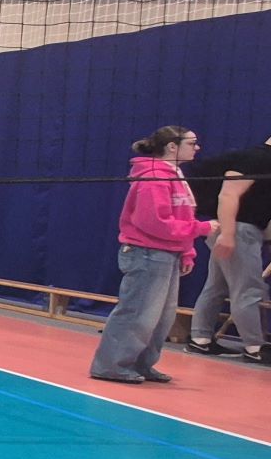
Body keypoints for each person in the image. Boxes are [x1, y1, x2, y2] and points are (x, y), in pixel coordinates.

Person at [90, 126, 216, 384]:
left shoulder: (175, 175)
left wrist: (187, 251)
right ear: (172, 146)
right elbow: (153, 222)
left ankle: (141, 364)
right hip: (147, 252)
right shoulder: (155, 177)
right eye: (192, 143)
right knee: (138, 313)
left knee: (161, 317)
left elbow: (181, 214)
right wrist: (201, 229)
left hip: (168, 252)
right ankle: (111, 365)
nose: (197, 147)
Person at [186, 134, 271, 366]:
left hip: (234, 228)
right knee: (248, 288)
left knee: (217, 285)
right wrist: (228, 234)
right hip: (238, 229)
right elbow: (228, 194)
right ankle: (254, 347)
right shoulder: (259, 158)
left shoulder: (257, 157)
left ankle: (201, 338)